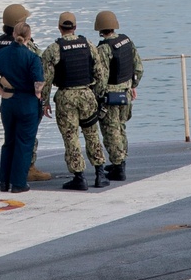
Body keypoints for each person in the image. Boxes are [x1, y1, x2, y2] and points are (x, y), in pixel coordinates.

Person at [40, 13, 110, 191]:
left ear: (59, 27)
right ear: (75, 27)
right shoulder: (89, 45)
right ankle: (100, 173)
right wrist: (98, 95)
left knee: (71, 137)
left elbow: (46, 80)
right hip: (87, 95)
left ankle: (79, 176)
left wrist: (44, 102)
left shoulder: (53, 49)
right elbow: (100, 74)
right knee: (92, 133)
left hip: (65, 97)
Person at [0, 21, 45, 192]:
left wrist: (0, 92)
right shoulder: (32, 57)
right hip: (27, 101)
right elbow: (38, 82)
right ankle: (18, 183)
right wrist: (38, 94)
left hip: (8, 100)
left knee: (9, 141)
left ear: (13, 35)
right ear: (29, 36)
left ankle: (4, 182)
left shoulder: (2, 54)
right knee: (25, 143)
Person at [93, 11, 143, 182]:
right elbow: (139, 68)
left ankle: (118, 167)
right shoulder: (126, 41)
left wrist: (97, 97)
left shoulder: (103, 49)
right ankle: (120, 162)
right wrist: (133, 86)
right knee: (121, 129)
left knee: (111, 131)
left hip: (111, 96)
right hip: (126, 92)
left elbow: (101, 78)